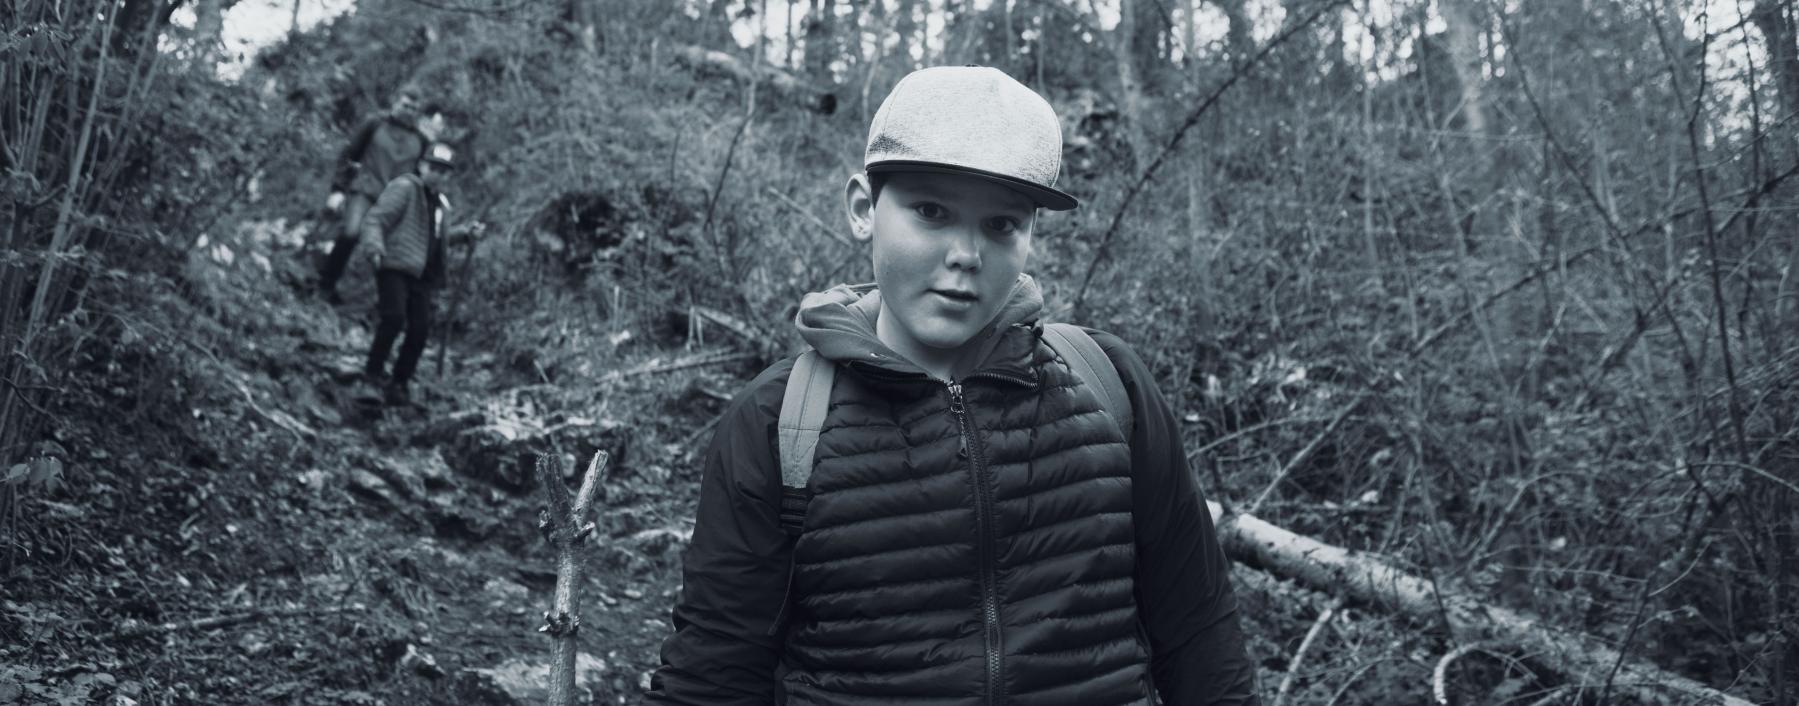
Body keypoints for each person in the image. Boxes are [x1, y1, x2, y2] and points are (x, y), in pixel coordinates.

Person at [647, 66, 1258, 704]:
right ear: (864, 209)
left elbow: (1200, 634)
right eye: (932, 212)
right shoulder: (782, 422)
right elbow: (712, 674)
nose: (967, 253)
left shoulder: (1108, 385)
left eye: (1001, 225)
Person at [360, 143, 456, 407]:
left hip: (422, 276)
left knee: (420, 329)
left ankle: (399, 382)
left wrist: (465, 234)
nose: (439, 175)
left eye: (445, 172)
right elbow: (376, 219)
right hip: (395, 265)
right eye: (434, 168)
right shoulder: (406, 187)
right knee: (393, 318)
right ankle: (371, 376)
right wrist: (374, 247)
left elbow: (437, 239)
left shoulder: (442, 205)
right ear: (423, 166)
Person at [318, 86, 427, 304]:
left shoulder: (421, 141)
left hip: (395, 202)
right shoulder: (375, 124)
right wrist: (338, 190)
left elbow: (420, 178)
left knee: (390, 254)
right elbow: (349, 155)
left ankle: (377, 304)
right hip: (366, 189)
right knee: (351, 233)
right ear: (396, 102)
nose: (409, 111)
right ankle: (325, 285)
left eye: (414, 109)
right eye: (406, 105)